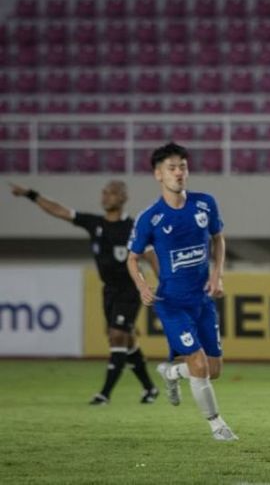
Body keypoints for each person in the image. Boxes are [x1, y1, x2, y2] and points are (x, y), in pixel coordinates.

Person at [9, 180, 159, 405]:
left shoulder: (134, 228)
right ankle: (150, 388)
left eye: (111, 193)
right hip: (109, 290)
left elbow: (151, 256)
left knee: (116, 335)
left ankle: (105, 394)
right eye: (104, 192)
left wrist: (166, 283)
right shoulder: (94, 223)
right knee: (125, 340)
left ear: (123, 198)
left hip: (130, 288)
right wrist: (31, 194)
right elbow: (59, 211)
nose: (105, 196)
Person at [126, 142, 237, 441]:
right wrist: (141, 285)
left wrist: (218, 274)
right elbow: (132, 257)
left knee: (213, 370)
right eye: (171, 168)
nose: (178, 173)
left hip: (202, 299)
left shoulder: (205, 204)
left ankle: (172, 373)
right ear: (158, 175)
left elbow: (218, 238)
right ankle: (217, 425)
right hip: (171, 303)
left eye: (182, 167)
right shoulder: (150, 217)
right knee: (199, 364)